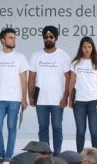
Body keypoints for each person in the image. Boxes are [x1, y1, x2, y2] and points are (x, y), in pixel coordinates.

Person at [0, 28, 29, 163]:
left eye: (14, 37)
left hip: (15, 99)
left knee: (12, 127)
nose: (13, 40)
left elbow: (23, 79)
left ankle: (8, 155)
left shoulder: (20, 57)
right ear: (2, 40)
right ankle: (0, 154)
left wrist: (24, 98)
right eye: (10, 37)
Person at [28, 26, 70, 156]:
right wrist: (30, 96)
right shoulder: (36, 55)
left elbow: (69, 79)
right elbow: (32, 77)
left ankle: (57, 154)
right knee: (43, 128)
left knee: (57, 127)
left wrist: (65, 97)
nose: (48, 39)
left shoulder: (63, 55)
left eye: (51, 37)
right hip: (41, 99)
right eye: (46, 37)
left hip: (58, 99)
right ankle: (45, 154)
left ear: (55, 38)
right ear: (43, 39)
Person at [68, 37, 97, 153]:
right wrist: (70, 98)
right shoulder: (75, 63)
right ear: (81, 48)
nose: (87, 49)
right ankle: (79, 156)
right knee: (80, 130)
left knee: (94, 130)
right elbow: (71, 82)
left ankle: (96, 155)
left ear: (93, 48)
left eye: (89, 47)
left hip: (93, 101)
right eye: (84, 47)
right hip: (79, 102)